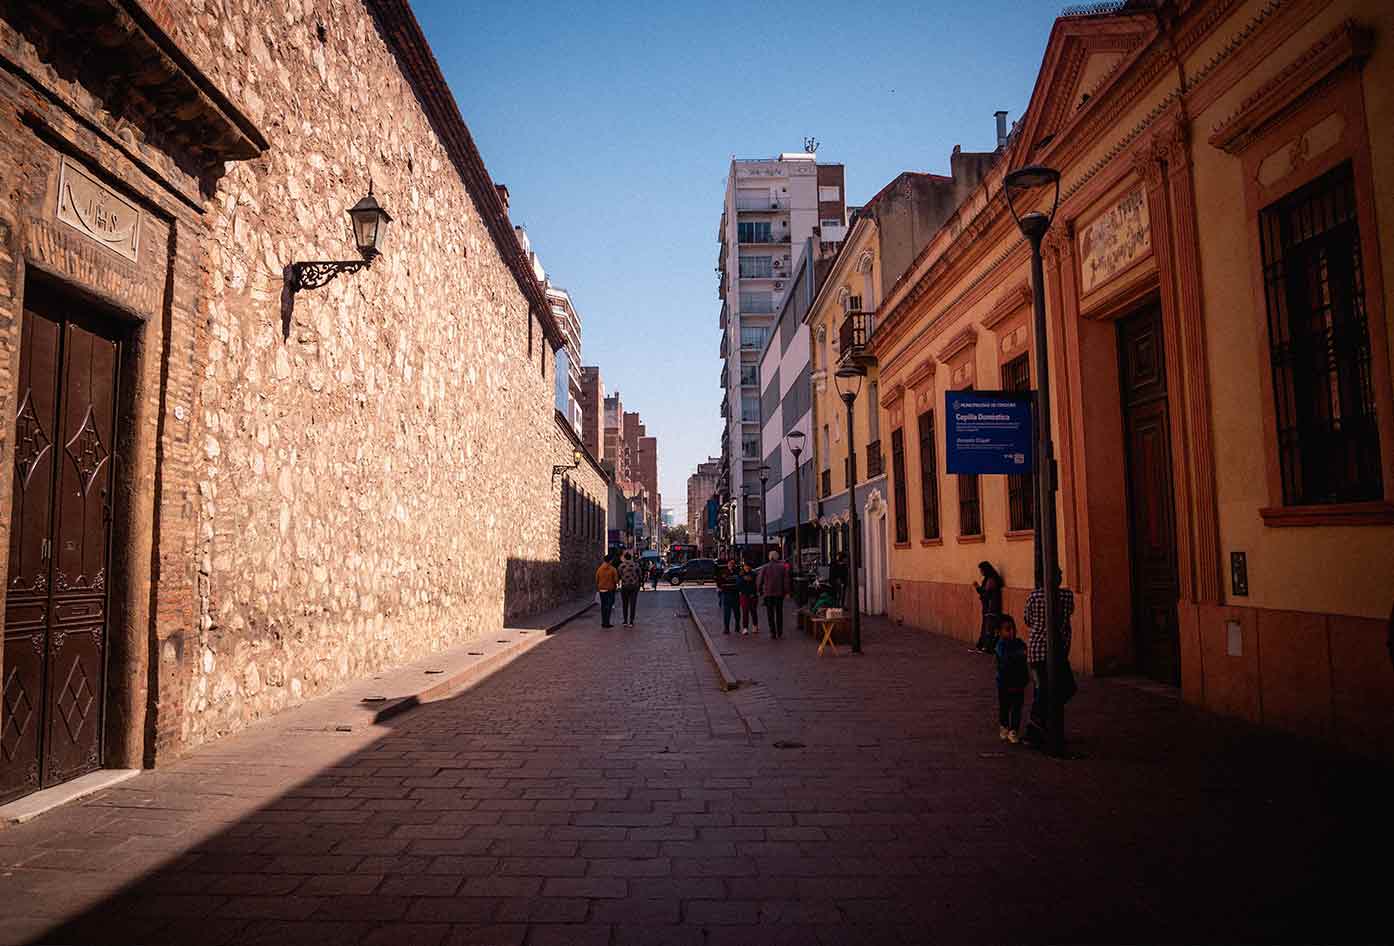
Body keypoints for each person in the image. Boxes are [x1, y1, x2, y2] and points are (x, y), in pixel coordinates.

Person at [1023, 565, 1075, 748]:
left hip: (1037, 651)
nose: (1060, 576)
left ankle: (1037, 726)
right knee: (1064, 688)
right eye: (1059, 574)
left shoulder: (1034, 596)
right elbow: (1069, 614)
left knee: (1043, 690)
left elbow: (1027, 620)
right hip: (1058, 651)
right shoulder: (1067, 596)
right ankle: (1041, 727)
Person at [995, 615, 1029, 744]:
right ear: (999, 632)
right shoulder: (1001, 645)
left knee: (1017, 708)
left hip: (1018, 682)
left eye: (1013, 628)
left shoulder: (1019, 643)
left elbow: (1024, 653)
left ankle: (1013, 730)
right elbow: (1006, 658)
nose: (1012, 632)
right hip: (1005, 683)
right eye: (1008, 629)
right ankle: (1004, 726)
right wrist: (1019, 654)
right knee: (1005, 707)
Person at [758, 550, 792, 640]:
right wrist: (787, 592)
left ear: (770, 557)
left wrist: (760, 590)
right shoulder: (782, 567)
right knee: (779, 612)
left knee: (770, 613)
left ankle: (772, 632)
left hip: (768, 593)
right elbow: (786, 581)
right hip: (779, 593)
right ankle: (779, 632)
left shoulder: (765, 567)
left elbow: (760, 580)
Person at [973, 561, 1005, 654]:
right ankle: (986, 645)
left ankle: (989, 646)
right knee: (988, 626)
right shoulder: (989, 579)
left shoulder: (991, 580)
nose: (981, 572)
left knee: (989, 627)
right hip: (989, 606)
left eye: (981, 570)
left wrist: (977, 587)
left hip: (991, 607)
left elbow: (986, 593)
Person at [715, 558, 742, 634]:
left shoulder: (737, 572)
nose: (731, 565)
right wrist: (721, 587)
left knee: (736, 612)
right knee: (727, 613)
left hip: (735, 594)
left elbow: (740, 582)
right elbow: (719, 581)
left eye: (732, 564)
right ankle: (727, 628)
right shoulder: (723, 572)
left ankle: (737, 626)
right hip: (726, 594)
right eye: (730, 564)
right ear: (728, 564)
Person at [618, 551, 643, 627]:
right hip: (634, 586)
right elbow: (640, 575)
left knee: (625, 604)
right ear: (631, 557)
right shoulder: (636, 565)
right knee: (633, 604)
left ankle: (625, 621)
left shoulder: (621, 565)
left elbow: (619, 574)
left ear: (625, 557)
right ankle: (631, 621)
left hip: (625, 586)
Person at [595, 554, 619, 629]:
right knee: (609, 606)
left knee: (603, 606)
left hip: (602, 589)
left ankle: (603, 622)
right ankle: (607, 622)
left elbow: (596, 579)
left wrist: (599, 585)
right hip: (610, 590)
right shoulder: (612, 569)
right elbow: (616, 580)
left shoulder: (599, 569)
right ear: (610, 560)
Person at [737, 561, 760, 635]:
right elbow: (738, 584)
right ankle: (745, 628)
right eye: (745, 566)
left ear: (750, 567)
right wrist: (743, 579)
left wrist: (755, 593)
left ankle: (755, 625)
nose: (746, 568)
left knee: (753, 611)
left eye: (748, 566)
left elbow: (756, 584)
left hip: (752, 595)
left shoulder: (754, 574)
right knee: (745, 612)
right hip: (744, 595)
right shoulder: (741, 574)